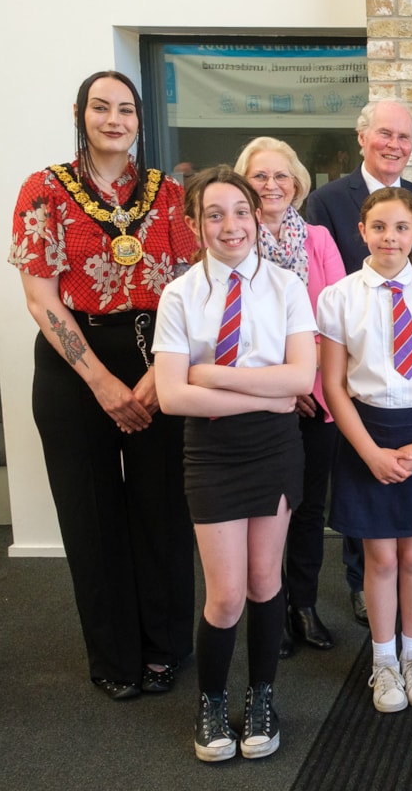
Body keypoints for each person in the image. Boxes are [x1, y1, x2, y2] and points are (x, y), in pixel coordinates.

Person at [9, 70, 196, 701]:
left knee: (162, 511)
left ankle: (165, 648)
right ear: (79, 114)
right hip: (73, 363)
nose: (114, 119)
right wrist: (103, 383)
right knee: (91, 517)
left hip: (158, 356)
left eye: (126, 109)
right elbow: (40, 298)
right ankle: (115, 656)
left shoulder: (169, 194)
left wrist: (148, 379)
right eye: (100, 108)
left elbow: (193, 289)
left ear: (140, 120)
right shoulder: (44, 189)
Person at [153, 166, 317, 761]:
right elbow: (172, 398)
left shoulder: (286, 286)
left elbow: (302, 378)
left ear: (256, 217)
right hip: (214, 451)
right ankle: (213, 701)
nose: (231, 225)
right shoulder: (180, 293)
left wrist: (210, 373)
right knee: (224, 595)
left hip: (273, 448)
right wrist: (267, 392)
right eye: (215, 214)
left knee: (265, 580)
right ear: (196, 225)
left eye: (241, 211)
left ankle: (264, 695)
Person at [305, 99, 412, 620]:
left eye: (405, 138)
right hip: (359, 368)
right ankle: (362, 588)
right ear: (362, 137)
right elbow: (320, 280)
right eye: (385, 134)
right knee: (371, 535)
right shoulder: (329, 201)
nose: (395, 145)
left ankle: (410, 606)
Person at [317, 188, 412, 714]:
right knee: (380, 557)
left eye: (401, 227)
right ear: (362, 231)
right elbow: (334, 385)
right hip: (367, 431)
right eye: (379, 227)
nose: (390, 237)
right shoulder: (337, 298)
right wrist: (370, 452)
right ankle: (383, 662)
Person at [234, 137, 347, 656]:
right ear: (244, 183)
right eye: (260, 176)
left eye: (282, 176)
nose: (272, 185)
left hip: (318, 392)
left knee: (306, 507)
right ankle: (270, 609)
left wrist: (309, 379)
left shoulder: (319, 238)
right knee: (265, 506)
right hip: (258, 398)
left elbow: (335, 314)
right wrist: (286, 379)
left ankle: (303, 606)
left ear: (298, 183)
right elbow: (241, 324)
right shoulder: (234, 239)